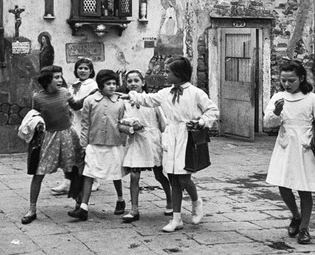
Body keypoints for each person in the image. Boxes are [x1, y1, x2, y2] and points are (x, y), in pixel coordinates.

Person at [126, 56, 219, 232]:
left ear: (179, 74)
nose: (165, 74)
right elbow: (148, 99)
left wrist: (201, 121)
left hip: (187, 136)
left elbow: (212, 111)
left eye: (168, 72)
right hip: (170, 136)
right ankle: (176, 219)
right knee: (173, 178)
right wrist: (131, 96)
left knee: (184, 176)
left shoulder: (196, 93)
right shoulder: (165, 92)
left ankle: (196, 201)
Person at [263, 59, 315, 245]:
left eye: (291, 80)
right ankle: (295, 215)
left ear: (301, 78)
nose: (286, 84)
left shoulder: (312, 98)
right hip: (285, 146)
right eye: (283, 80)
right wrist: (276, 113)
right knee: (283, 185)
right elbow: (267, 124)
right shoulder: (278, 98)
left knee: (304, 189)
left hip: (306, 148)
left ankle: (304, 227)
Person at [21, 66, 84, 225]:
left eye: (60, 76)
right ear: (48, 80)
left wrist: (92, 95)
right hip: (49, 138)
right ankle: (32, 209)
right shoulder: (38, 97)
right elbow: (33, 116)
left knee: (75, 169)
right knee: (39, 172)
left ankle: (79, 205)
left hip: (68, 135)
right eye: (56, 77)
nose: (60, 80)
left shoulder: (64, 92)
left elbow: (76, 106)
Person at [68, 69, 129, 221]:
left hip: (113, 143)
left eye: (114, 84)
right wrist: (84, 143)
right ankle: (83, 207)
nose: (112, 87)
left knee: (116, 173)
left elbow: (123, 122)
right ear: (101, 85)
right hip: (94, 143)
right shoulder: (90, 101)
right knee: (89, 173)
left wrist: (123, 140)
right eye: (108, 84)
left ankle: (120, 200)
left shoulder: (120, 102)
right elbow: (85, 123)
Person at [120, 69, 173, 222]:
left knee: (159, 174)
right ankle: (134, 209)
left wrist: (165, 140)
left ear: (143, 82)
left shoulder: (152, 101)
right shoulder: (124, 103)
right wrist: (130, 128)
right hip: (136, 140)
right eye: (129, 81)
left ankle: (170, 200)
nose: (133, 84)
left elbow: (163, 122)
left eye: (136, 80)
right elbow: (120, 123)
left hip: (151, 140)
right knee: (134, 175)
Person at [51, 58, 100, 196]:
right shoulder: (74, 85)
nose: (82, 71)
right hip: (72, 122)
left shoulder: (93, 86)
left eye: (86, 68)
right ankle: (68, 181)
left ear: (91, 71)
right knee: (69, 152)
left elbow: (80, 104)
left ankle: (93, 180)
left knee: (86, 153)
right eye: (80, 68)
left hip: (85, 122)